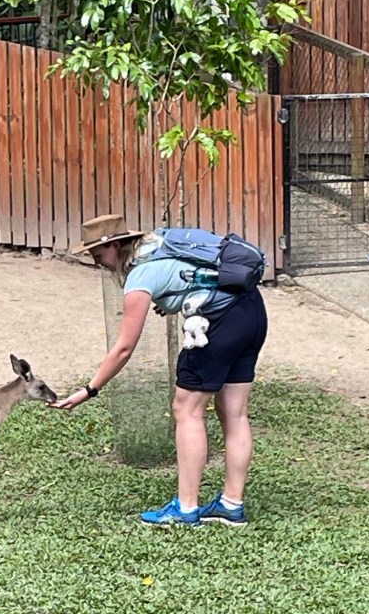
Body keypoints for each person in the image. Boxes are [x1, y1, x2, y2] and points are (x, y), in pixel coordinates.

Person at [52, 214, 268, 526]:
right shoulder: (161, 245)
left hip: (216, 325)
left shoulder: (141, 275)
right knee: (235, 413)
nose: (98, 264)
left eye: (98, 256)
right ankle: (231, 505)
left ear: (115, 246)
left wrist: (90, 389)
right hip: (251, 312)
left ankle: (186, 508)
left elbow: (124, 348)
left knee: (187, 409)